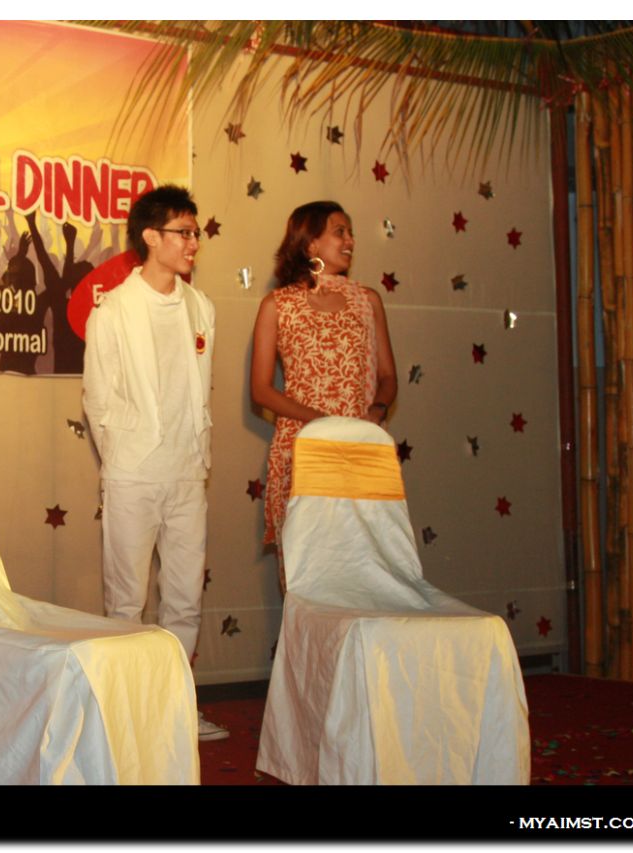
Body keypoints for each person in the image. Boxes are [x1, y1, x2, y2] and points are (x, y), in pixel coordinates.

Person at [82, 184, 227, 742]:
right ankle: (126, 714)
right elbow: (98, 399)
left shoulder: (200, 307)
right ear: (150, 237)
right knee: (127, 600)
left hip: (189, 472)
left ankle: (174, 710)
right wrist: (126, 456)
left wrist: (190, 453)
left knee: (185, 598)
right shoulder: (114, 310)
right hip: (133, 474)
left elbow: (199, 391)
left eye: (195, 232)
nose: (193, 243)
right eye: (183, 233)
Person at [250, 201, 398, 594]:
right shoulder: (277, 305)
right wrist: (321, 421)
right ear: (310, 243)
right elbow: (260, 390)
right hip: (304, 451)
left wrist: (377, 410)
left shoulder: (368, 301)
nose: (350, 240)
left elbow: (388, 377)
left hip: (360, 449)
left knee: (367, 576)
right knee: (308, 580)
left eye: (351, 233)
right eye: (339, 232)